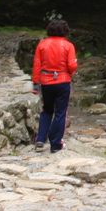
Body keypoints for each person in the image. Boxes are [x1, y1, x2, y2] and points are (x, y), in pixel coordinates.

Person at [32, 18, 78, 153]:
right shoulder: (68, 46)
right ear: (65, 31)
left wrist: (35, 83)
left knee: (46, 110)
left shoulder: (42, 45)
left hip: (46, 82)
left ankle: (40, 138)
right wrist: (71, 72)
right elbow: (72, 65)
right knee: (60, 112)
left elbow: (36, 65)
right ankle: (55, 143)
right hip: (63, 81)